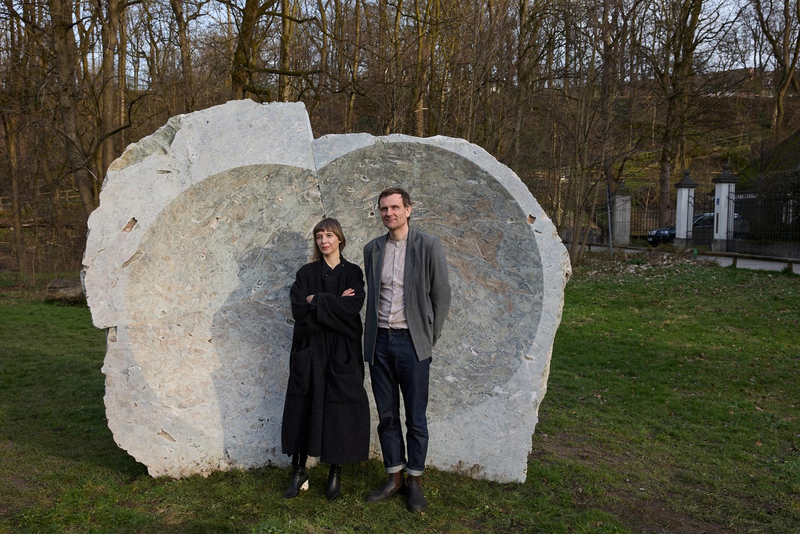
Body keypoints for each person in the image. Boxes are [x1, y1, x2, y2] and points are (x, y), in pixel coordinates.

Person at [363, 187, 451, 513]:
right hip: (379, 343)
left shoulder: (427, 245)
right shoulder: (372, 249)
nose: (390, 213)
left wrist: (429, 336)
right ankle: (394, 477)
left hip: (413, 344)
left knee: (415, 417)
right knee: (387, 416)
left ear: (409, 210)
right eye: (384, 209)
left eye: (395, 207)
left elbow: (441, 295)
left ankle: (414, 480)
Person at [281, 218, 371, 501]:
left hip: (342, 352)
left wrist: (316, 300)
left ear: (340, 240)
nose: (324, 240)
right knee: (302, 405)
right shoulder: (306, 272)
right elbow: (299, 311)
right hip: (310, 350)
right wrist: (332, 301)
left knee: (339, 409)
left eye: (329, 235)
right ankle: (298, 471)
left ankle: (335, 471)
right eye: (319, 236)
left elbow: (352, 308)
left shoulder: (354, 273)